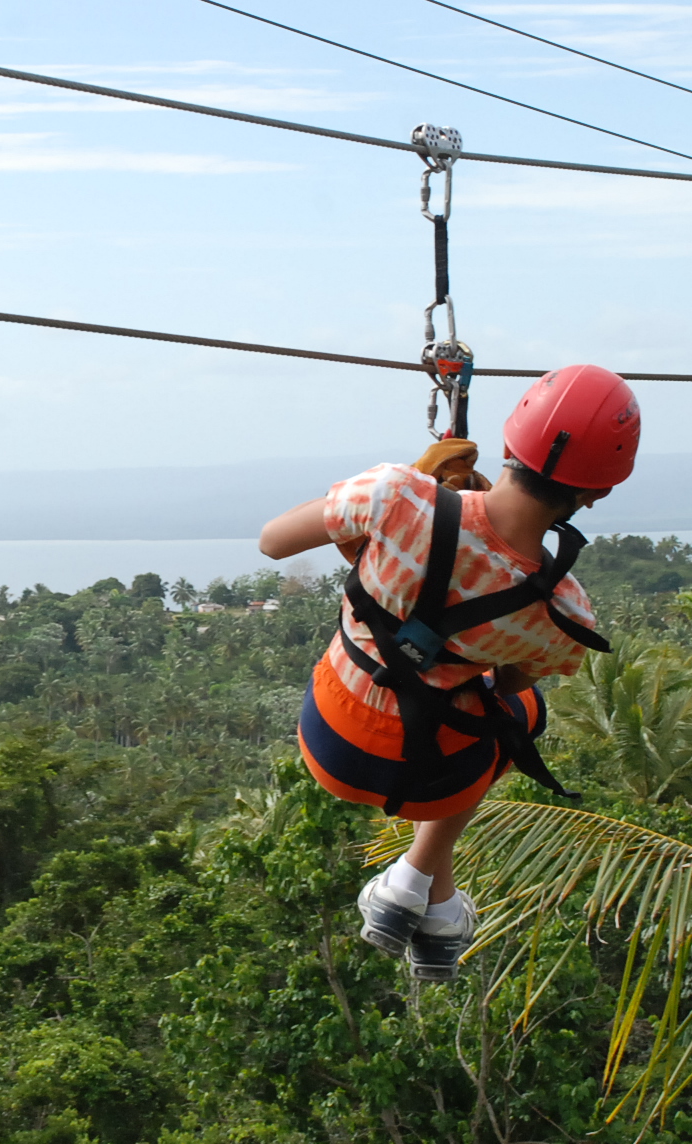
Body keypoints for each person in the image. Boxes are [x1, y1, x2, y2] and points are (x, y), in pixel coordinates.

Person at [258, 365, 640, 981]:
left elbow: (273, 541)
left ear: (511, 442)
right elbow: (510, 685)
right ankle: (420, 886)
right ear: (598, 493)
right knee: (522, 712)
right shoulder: (565, 610)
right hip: (433, 779)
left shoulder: (396, 496)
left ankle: (425, 900)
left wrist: (409, 495)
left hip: (331, 741)